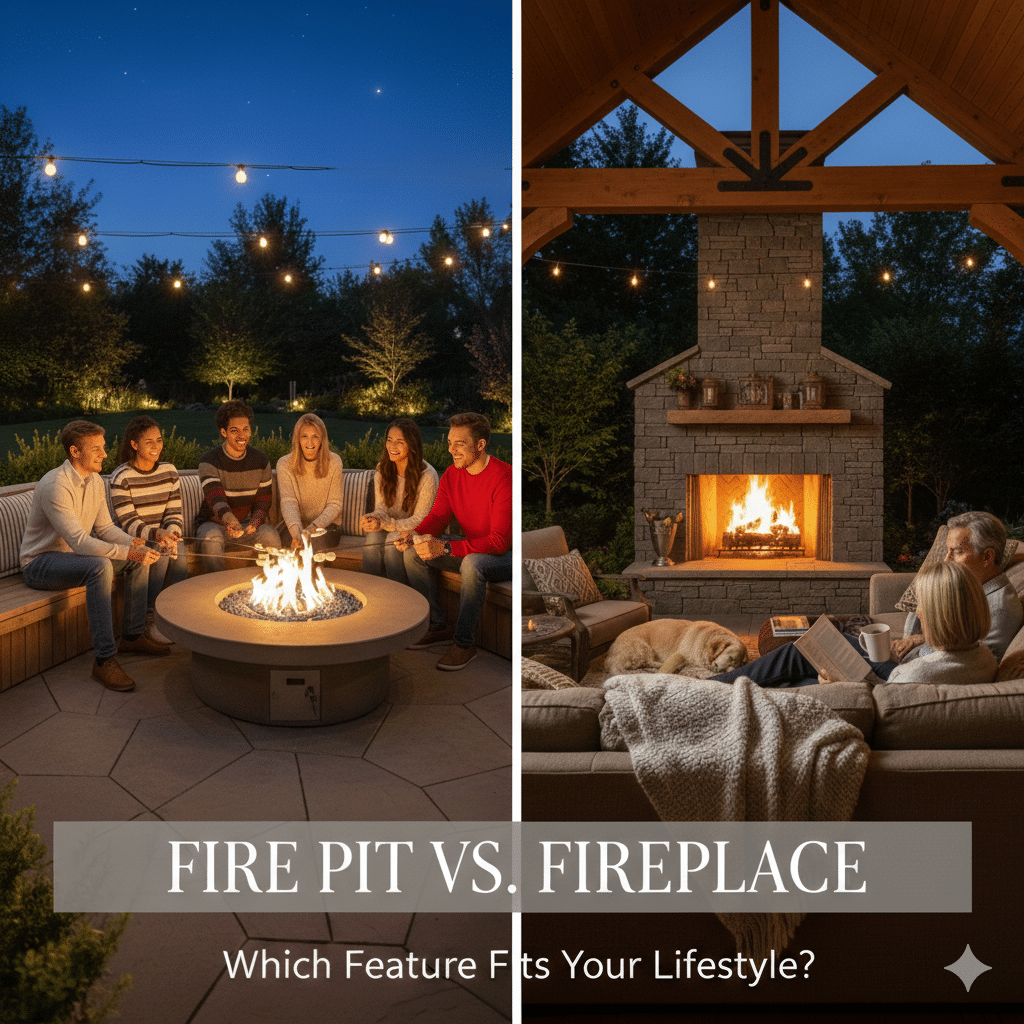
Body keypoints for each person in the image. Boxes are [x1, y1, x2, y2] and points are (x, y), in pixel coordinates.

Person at [20, 420, 166, 692]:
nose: (105, 454)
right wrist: (130, 552)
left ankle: (132, 636)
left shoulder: (96, 480)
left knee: (140, 556)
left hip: (75, 558)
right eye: (96, 449)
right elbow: (80, 542)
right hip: (41, 563)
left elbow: (105, 528)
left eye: (103, 447)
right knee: (99, 566)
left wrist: (137, 543)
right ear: (75, 452)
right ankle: (104, 659)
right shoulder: (56, 485)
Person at [712, 561, 997, 688]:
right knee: (810, 654)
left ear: (942, 615)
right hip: (903, 672)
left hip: (882, 684)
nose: (918, 611)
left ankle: (710, 687)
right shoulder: (983, 655)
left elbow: (876, 696)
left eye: (922, 604)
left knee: (797, 656)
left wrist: (837, 687)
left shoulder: (915, 676)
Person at [396, 411, 512, 671]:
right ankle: (437, 625)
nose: (452, 450)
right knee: (414, 553)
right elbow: (438, 517)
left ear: (480, 445)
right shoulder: (451, 475)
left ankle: (464, 643)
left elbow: (499, 542)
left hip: (509, 555)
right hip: (473, 544)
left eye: (460, 443)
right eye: (450, 443)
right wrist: (415, 534)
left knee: (472, 564)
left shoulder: (505, 478)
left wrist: (446, 546)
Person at [894, 510, 1023, 663]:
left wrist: (923, 642)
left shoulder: (1000, 609)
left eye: (958, 552)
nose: (947, 559)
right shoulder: (969, 587)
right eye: (948, 551)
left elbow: (970, 666)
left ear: (987, 557)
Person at [109, 415, 188, 639]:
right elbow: (129, 523)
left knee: (178, 547)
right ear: (134, 445)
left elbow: (174, 513)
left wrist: (172, 532)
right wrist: (158, 534)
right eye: (149, 442)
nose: (156, 447)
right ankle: (149, 617)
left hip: (159, 535)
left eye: (159, 440)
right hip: (133, 540)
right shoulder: (121, 477)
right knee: (159, 551)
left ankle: (176, 614)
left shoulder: (169, 472)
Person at [195, 400, 279, 570]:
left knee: (271, 536)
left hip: (247, 524)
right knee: (211, 540)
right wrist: (230, 521)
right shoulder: (209, 461)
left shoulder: (261, 460)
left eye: (246, 429)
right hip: (215, 524)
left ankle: (270, 589)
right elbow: (216, 500)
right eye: (235, 430)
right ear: (224, 432)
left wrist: (255, 522)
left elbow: (264, 500)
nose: (242, 436)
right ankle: (215, 589)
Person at [359, 418, 438, 583]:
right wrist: (374, 518)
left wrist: (387, 524)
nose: (392, 446)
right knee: (372, 539)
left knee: (392, 540)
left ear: (412, 445)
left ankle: (400, 595)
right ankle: (371, 590)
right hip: (390, 525)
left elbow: (420, 520)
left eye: (400, 442)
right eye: (389, 440)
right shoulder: (383, 468)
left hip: (415, 529)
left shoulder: (427, 475)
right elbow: (381, 507)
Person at [276, 413, 344, 553]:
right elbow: (289, 501)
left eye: (315, 437)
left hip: (326, 527)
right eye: (304, 436)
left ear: (322, 439)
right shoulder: (284, 464)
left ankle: (314, 575)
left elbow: (335, 504)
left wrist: (312, 528)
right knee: (284, 547)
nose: (310, 443)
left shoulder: (334, 462)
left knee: (311, 546)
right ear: (298, 439)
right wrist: (296, 534)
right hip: (297, 525)